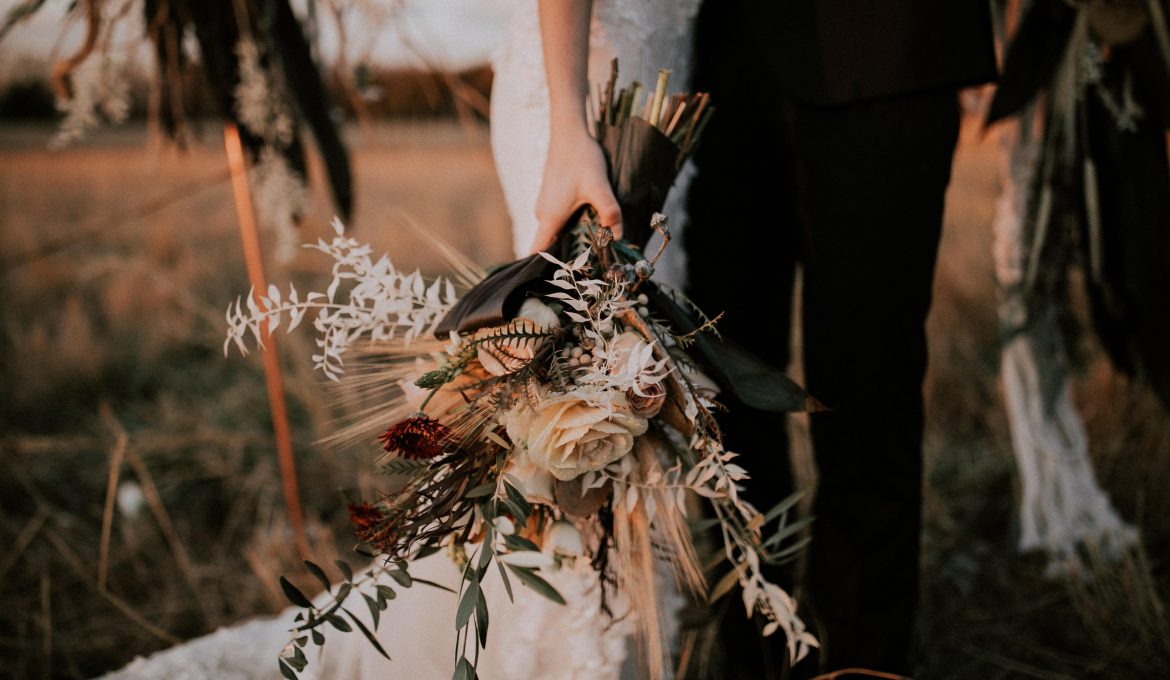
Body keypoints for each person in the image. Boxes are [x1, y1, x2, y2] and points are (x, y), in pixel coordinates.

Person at [682, 1, 997, 677]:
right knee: (722, 381)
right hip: (709, 56)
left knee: (866, 384)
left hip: (885, 41)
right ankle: (757, 652)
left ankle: (865, 660)